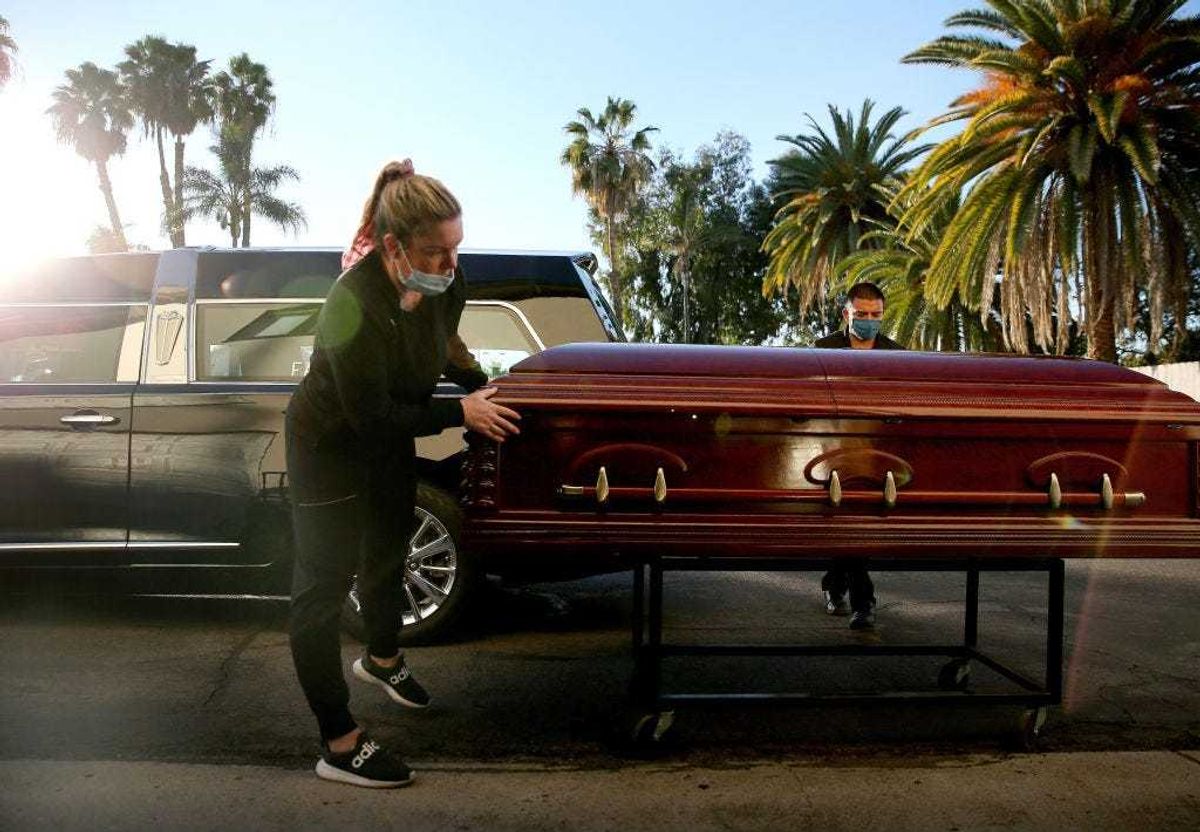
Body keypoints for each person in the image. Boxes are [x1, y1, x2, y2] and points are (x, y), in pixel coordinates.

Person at [285, 160, 521, 788]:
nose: (448, 265)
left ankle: (383, 659)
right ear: (393, 247)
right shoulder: (349, 303)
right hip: (330, 447)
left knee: (388, 547)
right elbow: (368, 415)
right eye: (432, 252)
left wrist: (483, 386)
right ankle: (337, 741)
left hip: (389, 430)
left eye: (454, 250)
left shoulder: (447, 278)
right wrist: (458, 410)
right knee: (323, 587)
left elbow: (445, 339)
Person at [814, 280, 903, 630]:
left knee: (857, 524)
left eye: (876, 315)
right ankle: (859, 600)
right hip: (833, 449)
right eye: (861, 314)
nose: (869, 320)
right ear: (846, 314)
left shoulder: (897, 354)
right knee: (846, 523)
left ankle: (840, 588)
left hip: (875, 451)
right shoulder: (825, 348)